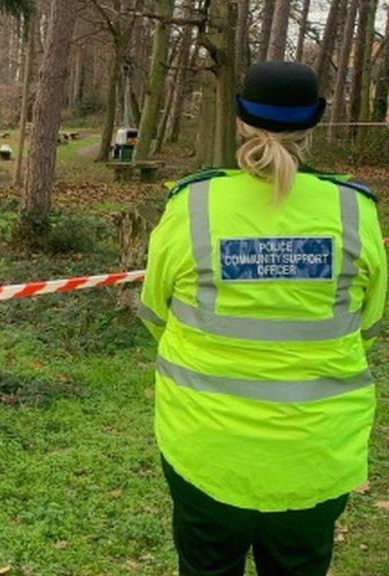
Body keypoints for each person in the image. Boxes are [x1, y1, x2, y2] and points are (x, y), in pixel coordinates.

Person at [139, 60, 387, 576]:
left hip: (205, 448)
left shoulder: (191, 204)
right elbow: (369, 320)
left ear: (239, 120)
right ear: (313, 124)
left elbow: (154, 313)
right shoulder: (354, 210)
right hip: (317, 453)